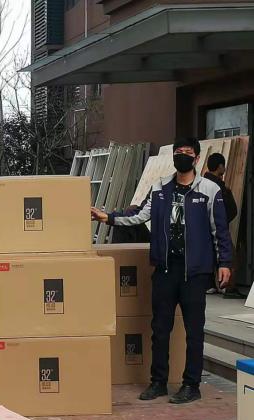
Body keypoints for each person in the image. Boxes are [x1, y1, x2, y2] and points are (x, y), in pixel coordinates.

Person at [91, 137, 232, 404]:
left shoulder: (210, 189)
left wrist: (225, 263)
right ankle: (158, 382)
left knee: (194, 331)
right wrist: (108, 217)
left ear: (196, 158)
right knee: (160, 329)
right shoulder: (160, 187)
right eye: (178, 152)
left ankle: (191, 385)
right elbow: (139, 214)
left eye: (187, 152)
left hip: (194, 273)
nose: (182, 156)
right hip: (166, 269)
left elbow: (220, 230)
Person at [204, 153, 237, 294]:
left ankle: (209, 285)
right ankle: (226, 286)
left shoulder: (201, 184)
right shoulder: (218, 187)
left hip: (202, 229)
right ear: (220, 167)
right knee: (227, 254)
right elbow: (230, 210)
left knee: (207, 255)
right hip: (218, 227)